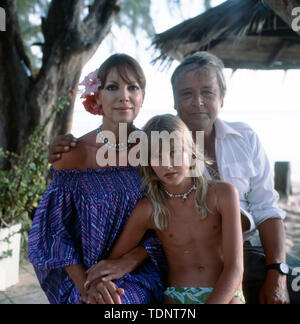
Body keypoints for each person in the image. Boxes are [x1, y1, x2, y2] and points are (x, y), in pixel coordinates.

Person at [49, 51, 300, 304]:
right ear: (175, 101)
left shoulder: (243, 144)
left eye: (207, 92)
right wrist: (64, 147)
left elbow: (267, 208)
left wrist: (277, 271)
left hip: (249, 250)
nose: (198, 102)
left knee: (295, 282)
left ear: (222, 97)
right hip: (179, 270)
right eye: (187, 93)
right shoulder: (154, 143)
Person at [28, 54, 167, 304]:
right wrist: (88, 286)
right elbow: (54, 232)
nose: (124, 95)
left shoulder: (155, 153)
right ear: (98, 96)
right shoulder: (73, 154)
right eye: (112, 87)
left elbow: (172, 217)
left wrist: (128, 261)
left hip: (140, 270)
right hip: (82, 275)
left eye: (132, 87)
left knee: (120, 303)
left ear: (142, 96)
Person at [88, 114, 245, 304]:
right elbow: (115, 258)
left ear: (191, 150)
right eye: (156, 156)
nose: (167, 164)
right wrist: (107, 277)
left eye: (174, 152)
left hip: (226, 293)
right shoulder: (149, 209)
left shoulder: (223, 194)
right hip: (178, 295)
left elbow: (235, 268)